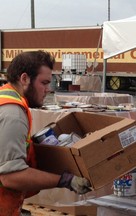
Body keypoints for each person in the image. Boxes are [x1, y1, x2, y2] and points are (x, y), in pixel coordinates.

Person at [0, 51, 91, 216]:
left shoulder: (5, 98)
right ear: (25, 79)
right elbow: (11, 176)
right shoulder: (13, 113)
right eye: (44, 83)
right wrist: (65, 180)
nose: (48, 89)